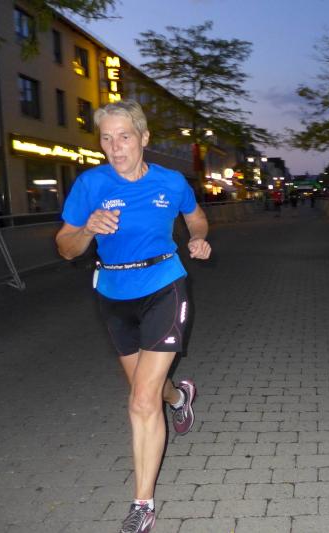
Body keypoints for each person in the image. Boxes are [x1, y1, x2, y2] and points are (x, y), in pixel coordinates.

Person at [55, 99, 211, 533]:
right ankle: (179, 398)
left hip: (164, 285)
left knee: (141, 401)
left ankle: (142, 505)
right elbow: (66, 247)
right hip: (113, 294)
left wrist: (198, 239)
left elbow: (196, 218)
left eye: (124, 136)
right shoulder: (90, 185)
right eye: (106, 138)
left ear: (143, 138)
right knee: (151, 391)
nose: (115, 147)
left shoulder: (171, 181)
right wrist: (88, 229)